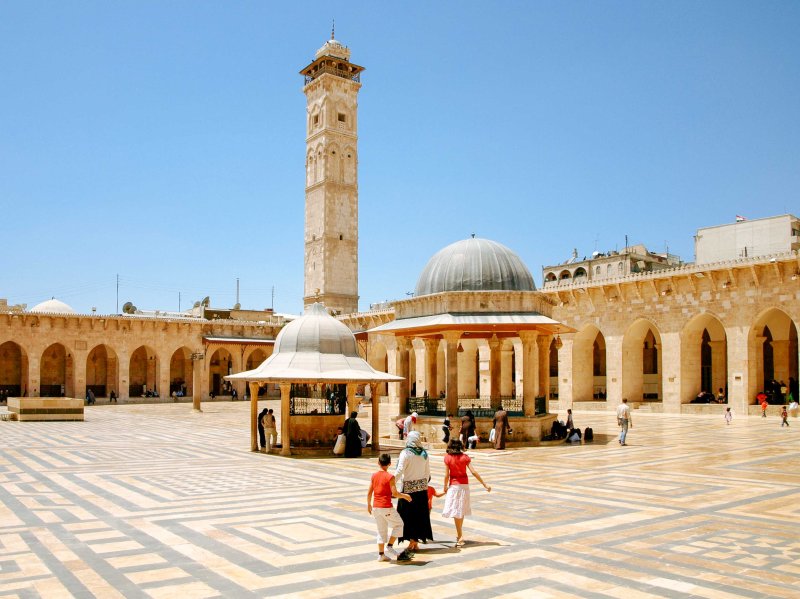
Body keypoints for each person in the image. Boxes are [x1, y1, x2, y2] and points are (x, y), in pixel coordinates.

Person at [441, 438, 491, 548]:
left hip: (454, 486)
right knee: (461, 510)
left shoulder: (447, 458)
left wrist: (445, 486)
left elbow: (446, 475)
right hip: (464, 486)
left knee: (456, 511)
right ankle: (459, 534)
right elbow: (473, 472)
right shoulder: (465, 457)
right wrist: (484, 484)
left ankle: (460, 536)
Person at [368, 453, 412, 562]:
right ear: (390, 464)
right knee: (399, 524)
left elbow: (370, 492)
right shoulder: (390, 477)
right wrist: (405, 496)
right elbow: (395, 493)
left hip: (376, 507)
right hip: (386, 507)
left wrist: (368, 504)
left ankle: (381, 555)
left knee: (381, 530)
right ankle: (390, 546)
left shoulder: (374, 475)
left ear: (378, 463)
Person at [395, 431, 433, 555]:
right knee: (419, 516)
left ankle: (412, 541)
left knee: (407, 516)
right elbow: (427, 473)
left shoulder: (405, 453)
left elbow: (400, 471)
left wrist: (390, 482)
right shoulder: (424, 454)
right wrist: (423, 483)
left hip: (408, 491)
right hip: (421, 490)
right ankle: (415, 541)